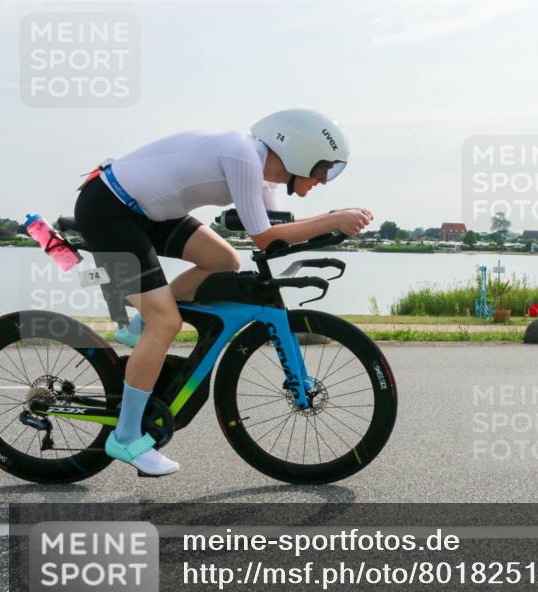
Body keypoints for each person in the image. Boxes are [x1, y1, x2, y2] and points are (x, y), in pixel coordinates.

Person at [73, 109, 372, 476]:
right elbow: (265, 238)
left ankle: (142, 327)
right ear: (300, 153)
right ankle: (126, 436)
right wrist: (333, 219)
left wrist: (331, 223)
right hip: (109, 210)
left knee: (223, 260)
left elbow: (274, 232)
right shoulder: (242, 156)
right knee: (165, 323)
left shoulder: (261, 174)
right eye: (323, 169)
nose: (323, 180)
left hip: (148, 212)